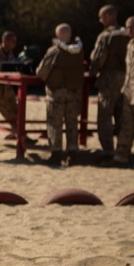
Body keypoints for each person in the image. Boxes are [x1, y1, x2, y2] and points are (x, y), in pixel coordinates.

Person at [36, 24, 85, 166]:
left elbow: (41, 72)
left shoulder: (55, 51)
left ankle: (56, 153)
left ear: (57, 36)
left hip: (56, 92)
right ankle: (72, 153)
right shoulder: (79, 50)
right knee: (72, 122)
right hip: (74, 91)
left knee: (54, 123)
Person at [89, 4, 131, 159]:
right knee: (122, 116)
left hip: (109, 80)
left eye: (101, 17)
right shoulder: (129, 34)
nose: (100, 21)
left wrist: (92, 73)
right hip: (127, 80)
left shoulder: (106, 36)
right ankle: (123, 150)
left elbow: (99, 58)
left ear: (108, 16)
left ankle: (108, 151)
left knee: (105, 116)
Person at [112, 15, 134, 166]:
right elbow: (130, 70)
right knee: (126, 126)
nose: (130, 30)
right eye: (128, 27)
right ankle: (121, 157)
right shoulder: (130, 45)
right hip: (129, 92)